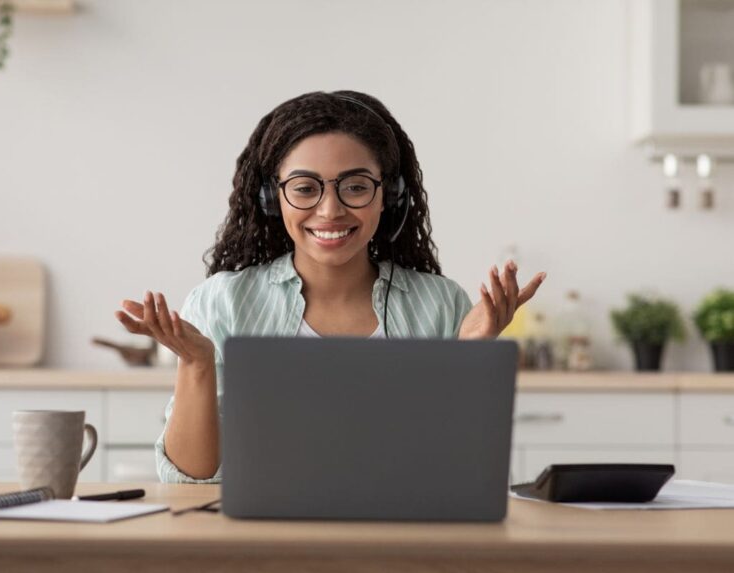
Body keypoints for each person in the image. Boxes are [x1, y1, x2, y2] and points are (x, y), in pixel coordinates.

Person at [115, 91, 546, 484]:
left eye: (355, 187)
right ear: (272, 198)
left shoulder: (441, 304)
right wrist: (197, 363)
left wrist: (470, 356)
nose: (330, 210)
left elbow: (461, 474)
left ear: (389, 195)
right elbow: (188, 482)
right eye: (305, 188)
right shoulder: (222, 303)